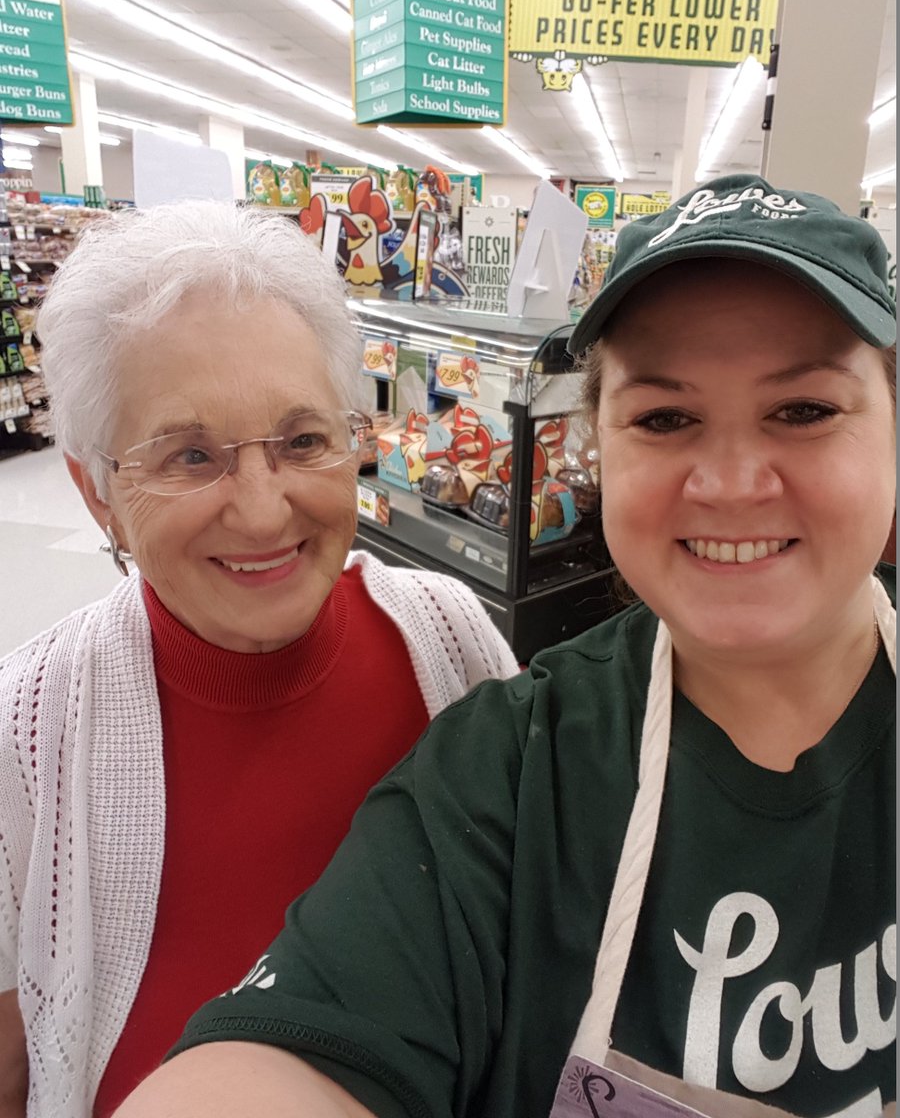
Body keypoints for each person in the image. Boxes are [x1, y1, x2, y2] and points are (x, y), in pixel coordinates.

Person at [116, 174, 896, 1118]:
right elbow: (285, 1060)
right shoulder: (507, 772)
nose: (731, 483)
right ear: (600, 447)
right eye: (665, 418)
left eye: (805, 410)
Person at [0, 200, 519, 1118]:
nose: (263, 509)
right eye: (191, 456)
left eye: (303, 440)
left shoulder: (453, 644)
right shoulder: (29, 730)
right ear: (98, 493)